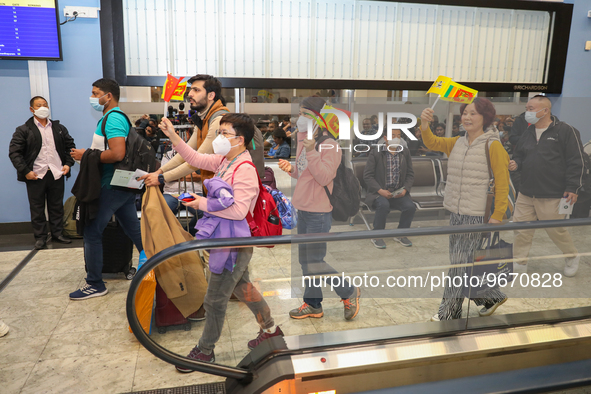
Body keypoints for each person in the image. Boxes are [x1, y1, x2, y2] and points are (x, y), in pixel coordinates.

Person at [156, 113, 283, 369]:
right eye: (220, 132)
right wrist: (173, 136)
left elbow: (238, 211)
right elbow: (195, 158)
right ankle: (271, 331)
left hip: (233, 244)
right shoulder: (227, 161)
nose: (219, 138)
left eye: (225, 133)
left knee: (214, 299)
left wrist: (199, 202)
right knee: (242, 288)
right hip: (226, 238)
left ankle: (205, 350)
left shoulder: (244, 168)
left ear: (241, 140)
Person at [420, 98, 510, 320]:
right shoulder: (458, 142)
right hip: (457, 212)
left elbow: (502, 182)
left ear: (485, 118)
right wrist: (424, 125)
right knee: (463, 261)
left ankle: (450, 311)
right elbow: (432, 143)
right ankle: (490, 297)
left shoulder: (493, 145)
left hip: (477, 215)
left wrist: (497, 216)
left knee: (459, 264)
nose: (467, 118)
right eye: (465, 113)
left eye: (474, 113)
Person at [278, 96, 361, 321]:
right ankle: (313, 304)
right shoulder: (306, 141)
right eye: (300, 113)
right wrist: (291, 169)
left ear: (318, 117)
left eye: (305, 113)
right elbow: (305, 173)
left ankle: (348, 291)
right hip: (302, 209)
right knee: (305, 262)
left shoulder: (329, 145)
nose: (300, 118)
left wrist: (312, 150)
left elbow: (324, 176)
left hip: (318, 212)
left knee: (315, 261)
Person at [69, 78, 144, 300]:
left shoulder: (112, 119)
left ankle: (95, 283)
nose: (93, 97)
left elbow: (118, 153)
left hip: (111, 184)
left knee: (92, 231)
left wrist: (87, 155)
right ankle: (156, 261)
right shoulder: (111, 117)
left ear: (108, 96)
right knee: (133, 229)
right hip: (121, 184)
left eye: (96, 93)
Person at [141, 74, 264, 189]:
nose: (190, 94)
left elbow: (195, 160)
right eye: (191, 90)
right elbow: (186, 153)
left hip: (228, 190)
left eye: (196, 90)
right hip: (215, 188)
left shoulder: (218, 120)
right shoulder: (203, 119)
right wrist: (160, 171)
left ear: (211, 95)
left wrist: (162, 178)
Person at [509, 95, 584, 277]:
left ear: (545, 110)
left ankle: (572, 256)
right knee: (521, 230)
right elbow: (519, 154)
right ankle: (519, 262)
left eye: (531, 108)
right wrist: (516, 163)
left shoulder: (565, 131)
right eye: (527, 108)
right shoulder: (527, 132)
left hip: (553, 193)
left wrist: (573, 187)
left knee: (556, 230)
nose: (528, 112)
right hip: (526, 193)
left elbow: (577, 161)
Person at [9, 96, 76, 249]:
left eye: (45, 104)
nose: (43, 107)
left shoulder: (59, 128)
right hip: (35, 175)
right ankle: (40, 237)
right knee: (37, 207)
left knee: (56, 206)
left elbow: (70, 146)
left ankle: (58, 234)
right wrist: (25, 171)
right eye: (39, 105)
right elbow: (14, 153)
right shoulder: (23, 130)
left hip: (56, 172)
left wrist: (68, 164)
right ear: (31, 109)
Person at [363, 130, 416, 249]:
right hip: (379, 193)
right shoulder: (376, 153)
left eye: (399, 136)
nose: (396, 138)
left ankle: (401, 234)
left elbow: (410, 174)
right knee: (383, 205)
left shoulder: (405, 152)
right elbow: (368, 176)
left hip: (398, 192)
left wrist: (405, 190)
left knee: (410, 207)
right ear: (385, 138)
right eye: (393, 136)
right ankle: (377, 235)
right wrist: (380, 190)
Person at [161, 149, 202, 236]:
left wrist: (175, 174)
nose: (179, 135)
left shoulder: (198, 154)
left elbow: (199, 176)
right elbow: (165, 176)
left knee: (204, 211)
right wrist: (188, 174)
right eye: (176, 134)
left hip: (191, 193)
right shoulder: (168, 154)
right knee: (161, 210)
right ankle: (174, 235)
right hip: (172, 193)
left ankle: (188, 232)